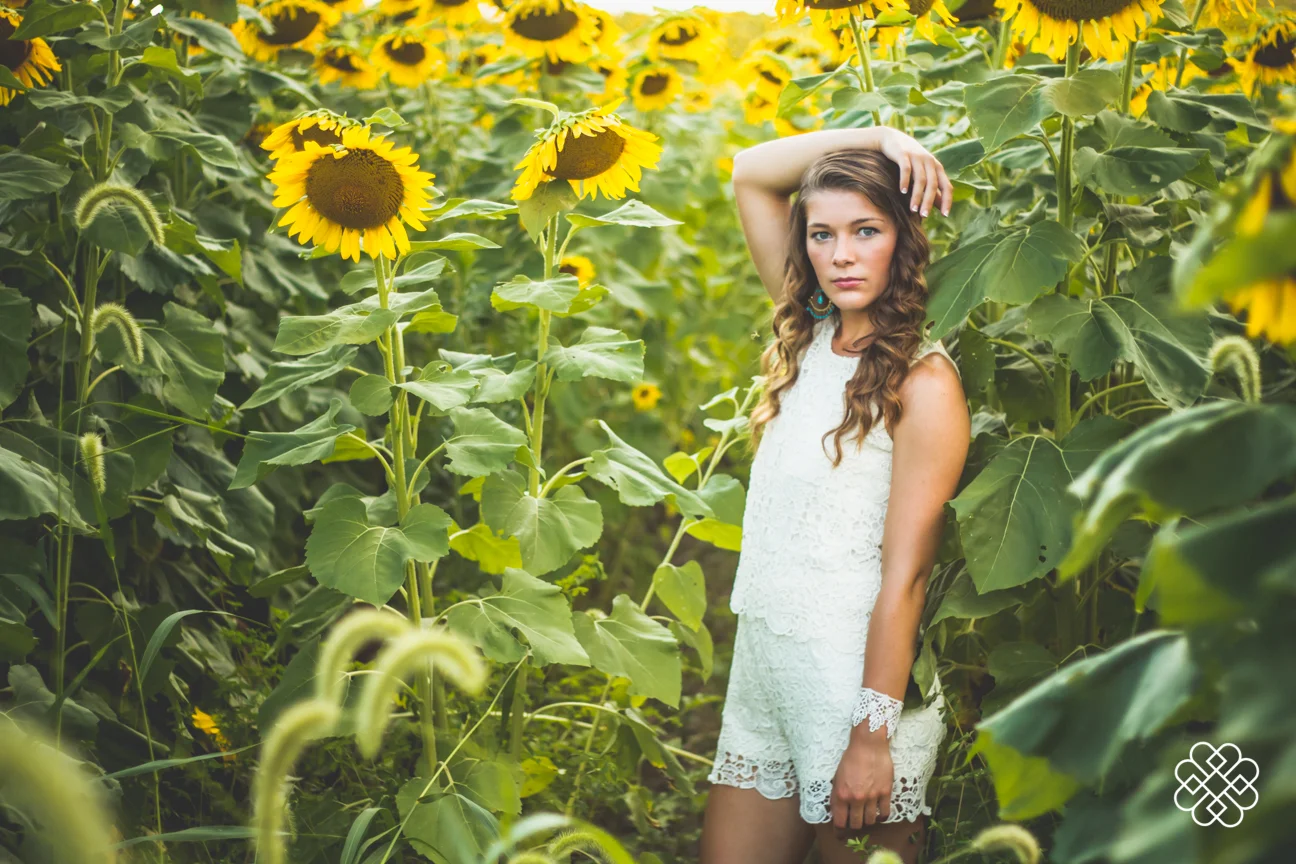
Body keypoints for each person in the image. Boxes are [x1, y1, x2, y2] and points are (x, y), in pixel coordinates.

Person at [699, 127, 971, 864]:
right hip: (766, 672)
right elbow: (751, 172)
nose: (842, 254)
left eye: (866, 231)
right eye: (822, 234)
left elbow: (906, 574)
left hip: (854, 688)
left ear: (903, 239)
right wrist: (879, 136)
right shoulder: (811, 334)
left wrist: (870, 738)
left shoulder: (925, 381)